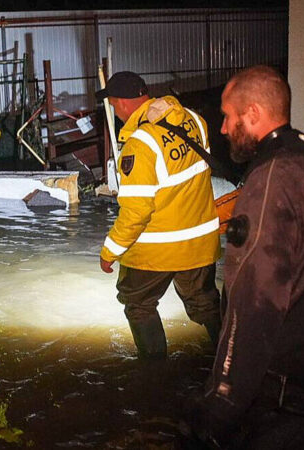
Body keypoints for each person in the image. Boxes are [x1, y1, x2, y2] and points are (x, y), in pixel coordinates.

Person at [187, 65, 304, 448]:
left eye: (228, 116)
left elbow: (253, 304)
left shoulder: (272, 182)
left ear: (253, 113)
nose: (223, 128)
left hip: (288, 399)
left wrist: (218, 406)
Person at [97, 71, 222, 359]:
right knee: (205, 304)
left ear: (123, 103)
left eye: (114, 106)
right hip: (200, 243)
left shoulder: (140, 144)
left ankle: (155, 373)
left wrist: (110, 251)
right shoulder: (193, 120)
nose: (116, 113)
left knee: (138, 304)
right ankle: (231, 361)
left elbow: (136, 212)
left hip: (157, 250)